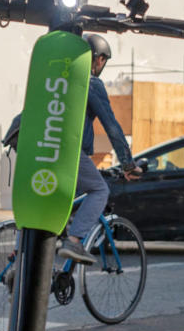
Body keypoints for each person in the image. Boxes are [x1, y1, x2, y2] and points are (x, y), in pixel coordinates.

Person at [59, 34, 143, 264]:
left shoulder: (57, 80)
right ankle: (74, 241)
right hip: (69, 152)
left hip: (38, 149)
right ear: (98, 59)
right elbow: (111, 126)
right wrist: (128, 164)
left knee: (48, 204)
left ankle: (17, 259)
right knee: (99, 190)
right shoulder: (90, 83)